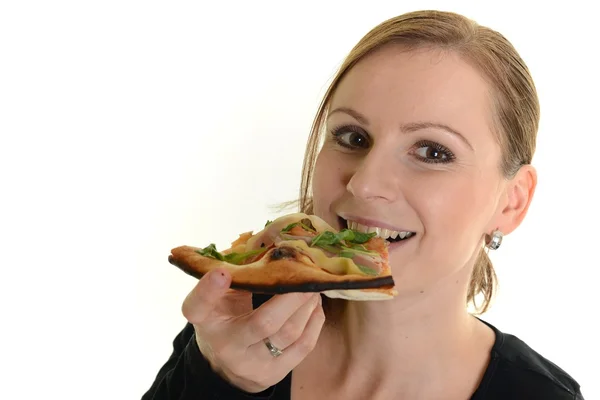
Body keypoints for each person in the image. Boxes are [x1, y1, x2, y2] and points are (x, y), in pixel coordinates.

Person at [141, 9, 584, 400]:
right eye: (352, 137)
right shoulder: (236, 333)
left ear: (512, 201)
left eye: (432, 152)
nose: (366, 182)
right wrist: (219, 383)